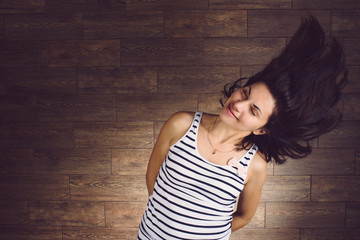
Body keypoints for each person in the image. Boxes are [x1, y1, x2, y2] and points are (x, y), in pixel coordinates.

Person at [137, 15, 347, 240]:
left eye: (254, 110)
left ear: (262, 129)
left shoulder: (255, 166)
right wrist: (165, 215)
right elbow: (153, 175)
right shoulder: (181, 124)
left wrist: (207, 234)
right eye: (245, 93)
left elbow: (245, 216)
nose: (238, 105)